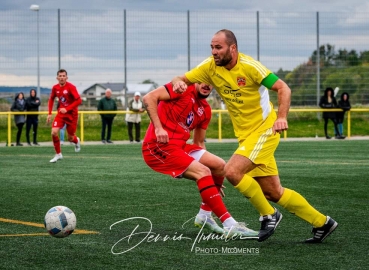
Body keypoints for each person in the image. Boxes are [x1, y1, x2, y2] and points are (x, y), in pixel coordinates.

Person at [172, 29, 338, 243]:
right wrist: (178, 82)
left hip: (265, 131)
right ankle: (322, 223)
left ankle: (269, 215)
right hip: (247, 137)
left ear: (233, 48)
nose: (214, 52)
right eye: (212, 47)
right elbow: (181, 78)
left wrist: (282, 117)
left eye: (218, 47)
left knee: (231, 171)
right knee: (272, 191)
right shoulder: (209, 67)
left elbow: (283, 88)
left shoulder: (250, 67)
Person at [142, 81, 258, 238]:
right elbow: (149, 97)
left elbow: (199, 143)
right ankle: (230, 225)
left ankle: (204, 216)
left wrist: (211, 178)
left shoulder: (205, 110)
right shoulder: (181, 88)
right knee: (202, 172)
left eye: (212, 83)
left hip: (179, 146)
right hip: (157, 146)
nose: (208, 85)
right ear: (196, 79)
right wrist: (158, 127)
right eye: (204, 80)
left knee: (219, 166)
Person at [47, 69, 81, 163]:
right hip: (61, 114)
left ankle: (76, 141)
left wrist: (67, 109)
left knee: (70, 138)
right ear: (57, 78)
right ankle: (58, 154)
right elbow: (51, 99)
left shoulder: (71, 87)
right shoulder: (55, 88)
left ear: (66, 77)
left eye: (63, 76)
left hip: (72, 114)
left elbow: (79, 101)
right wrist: (49, 113)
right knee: (54, 132)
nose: (62, 78)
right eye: (60, 76)